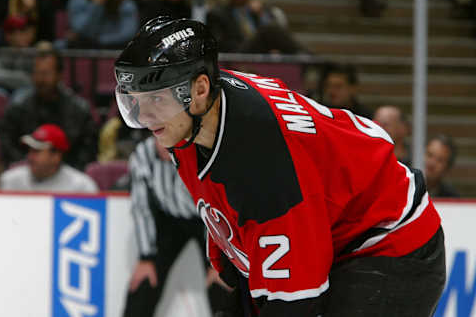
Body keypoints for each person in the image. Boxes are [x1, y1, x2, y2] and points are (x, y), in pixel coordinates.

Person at [113, 17, 446, 316]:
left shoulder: (263, 163)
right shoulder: (198, 112)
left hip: (390, 241)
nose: (143, 116)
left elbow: (296, 300)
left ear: (198, 90)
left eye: (155, 99)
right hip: (333, 228)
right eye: (136, 102)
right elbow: (224, 203)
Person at [122, 136, 231, 316]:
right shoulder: (144, 154)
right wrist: (146, 257)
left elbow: (214, 204)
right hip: (168, 219)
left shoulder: (198, 150)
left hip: (205, 218)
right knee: (143, 281)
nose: (164, 144)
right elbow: (141, 208)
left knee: (223, 280)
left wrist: (219, 261)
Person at [0, 48, 98, 170]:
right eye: (37, 73)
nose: (41, 79)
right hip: (26, 172)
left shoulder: (79, 109)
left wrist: (60, 170)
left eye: (46, 73)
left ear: (59, 75)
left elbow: (87, 149)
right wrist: (30, 165)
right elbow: (7, 142)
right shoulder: (18, 107)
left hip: (69, 175)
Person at [0, 123, 98, 192]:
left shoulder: (81, 187)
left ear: (56, 156)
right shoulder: (9, 180)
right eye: (29, 150)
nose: (30, 156)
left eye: (37, 151)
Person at [65, 0, 138, 48]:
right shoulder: (77, 1)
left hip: (115, 50)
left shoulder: (126, 4)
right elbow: (79, 30)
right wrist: (96, 4)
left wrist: (98, 41)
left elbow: (128, 34)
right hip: (83, 50)